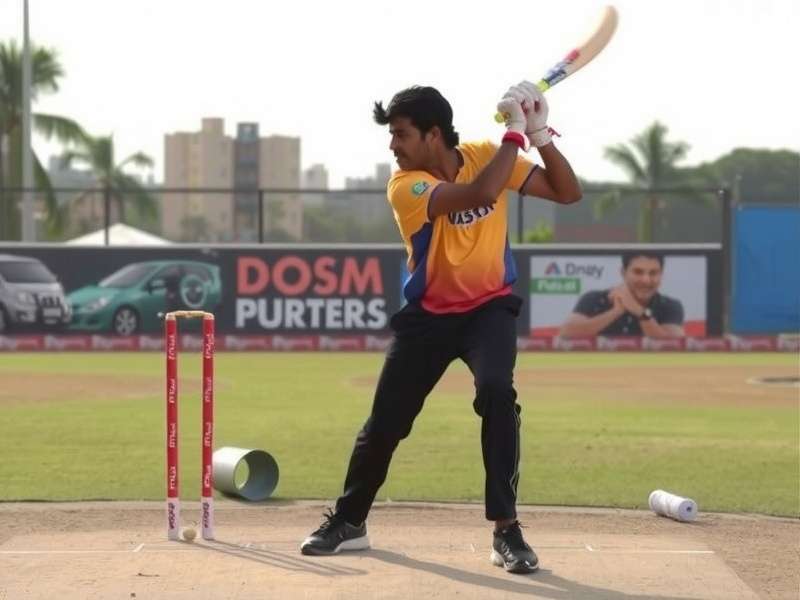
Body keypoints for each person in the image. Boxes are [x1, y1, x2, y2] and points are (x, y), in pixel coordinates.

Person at [300, 83, 581, 574]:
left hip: (488, 309)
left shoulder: (485, 155)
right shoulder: (405, 185)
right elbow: (480, 193)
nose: (393, 145)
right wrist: (514, 135)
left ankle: (507, 531)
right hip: (429, 317)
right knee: (385, 423)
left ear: (434, 134)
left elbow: (567, 192)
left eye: (401, 134)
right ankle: (349, 521)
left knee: (497, 392)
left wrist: (538, 135)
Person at [559, 251, 685, 338]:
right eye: (638, 272)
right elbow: (566, 334)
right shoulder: (594, 298)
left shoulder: (670, 305)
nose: (646, 280)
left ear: (661, 275)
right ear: (623, 273)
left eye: (653, 273)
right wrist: (615, 312)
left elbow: (673, 344)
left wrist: (640, 311)